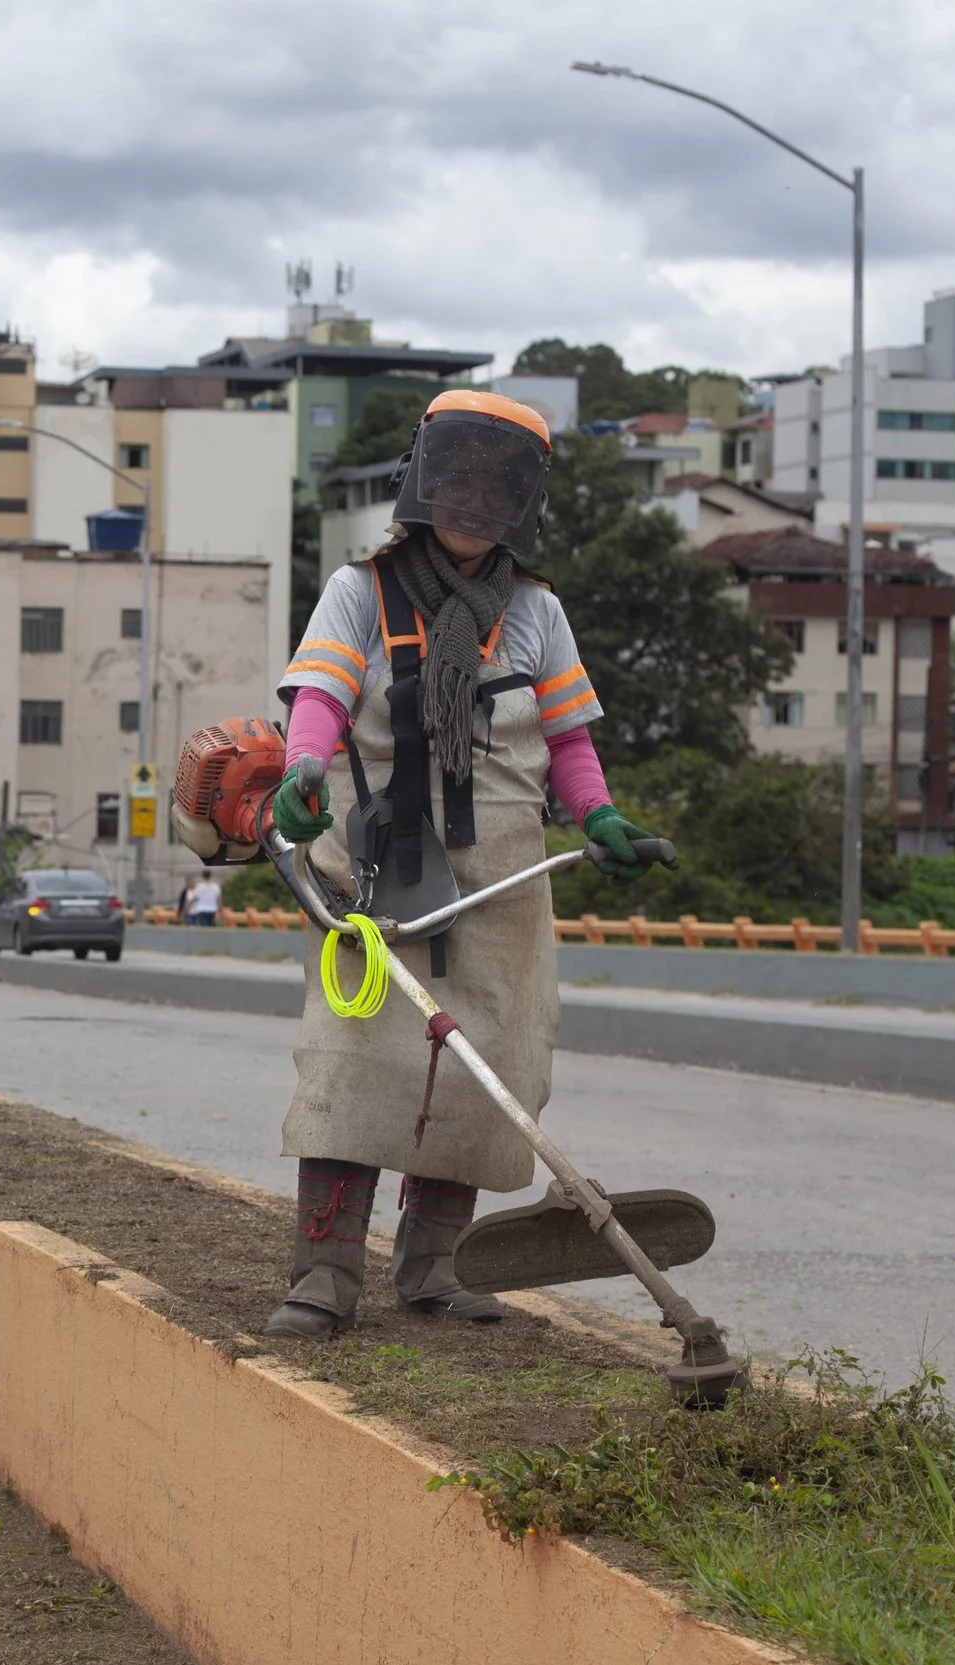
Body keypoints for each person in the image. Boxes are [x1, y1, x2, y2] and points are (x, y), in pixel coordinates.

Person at [261, 390, 667, 1339]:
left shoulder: (537, 613)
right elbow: (318, 695)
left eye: (497, 487)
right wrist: (304, 767)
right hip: (374, 878)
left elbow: (567, 740)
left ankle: (436, 1270)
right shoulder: (359, 590)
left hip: (501, 883)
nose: (473, 502)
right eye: (458, 478)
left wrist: (600, 816)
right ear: (423, 478)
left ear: (523, 504)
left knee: (490, 1074)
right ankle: (322, 1277)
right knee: (351, 1067)